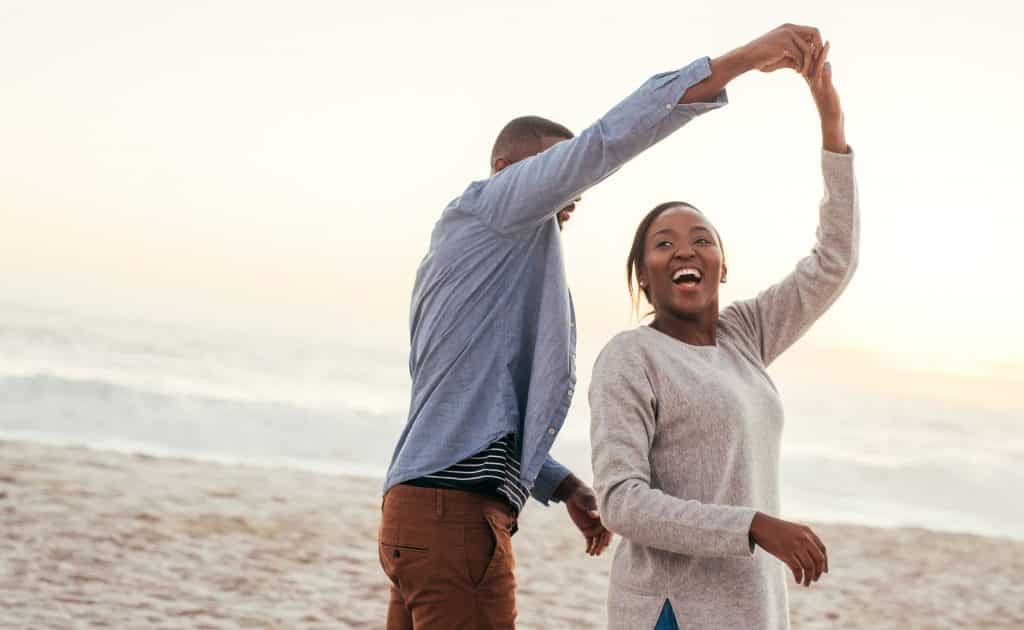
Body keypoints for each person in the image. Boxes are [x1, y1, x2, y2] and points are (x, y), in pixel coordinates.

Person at [378, 24, 827, 630]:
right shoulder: (491, 209)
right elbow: (605, 143)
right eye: (557, 175)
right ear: (505, 168)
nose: (569, 197)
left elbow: (475, 413)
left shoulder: (473, 264)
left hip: (417, 515)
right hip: (453, 522)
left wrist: (561, 485)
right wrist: (742, 61)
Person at [589, 43, 856, 630]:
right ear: (643, 275)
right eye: (663, 243)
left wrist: (830, 123)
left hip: (752, 607)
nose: (685, 248)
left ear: (723, 266)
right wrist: (753, 525)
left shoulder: (746, 336)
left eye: (701, 238)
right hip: (672, 610)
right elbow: (621, 502)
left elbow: (833, 262)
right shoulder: (631, 357)